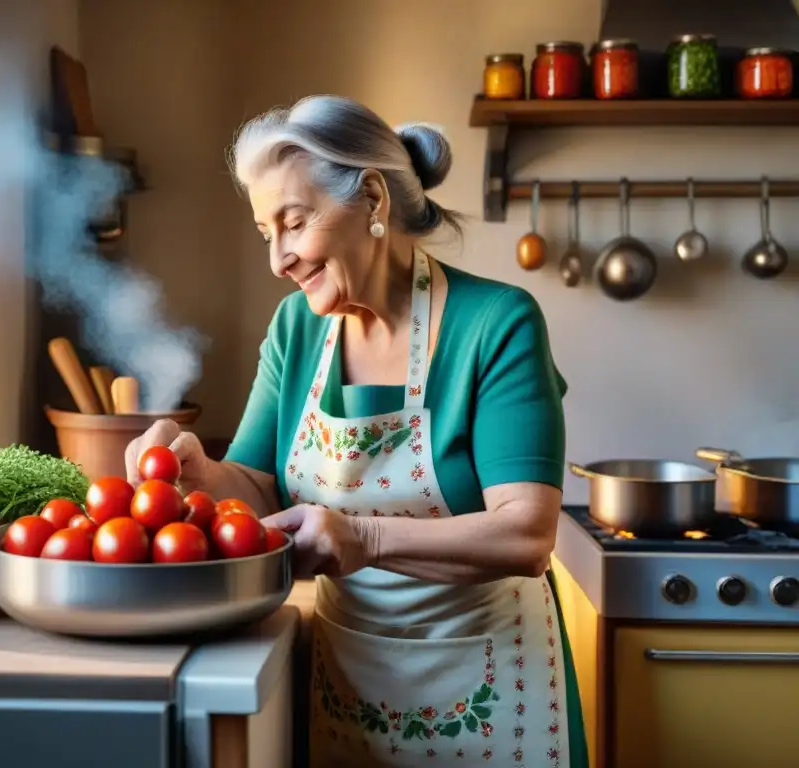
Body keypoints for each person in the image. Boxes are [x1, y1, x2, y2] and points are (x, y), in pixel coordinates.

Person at [126, 95, 588, 768]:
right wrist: (198, 472)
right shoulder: (297, 328)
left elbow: (526, 534)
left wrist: (363, 537)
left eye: (294, 222)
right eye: (265, 234)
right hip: (351, 686)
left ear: (372, 200)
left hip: (489, 684)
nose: (279, 258)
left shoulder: (497, 323)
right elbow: (256, 484)